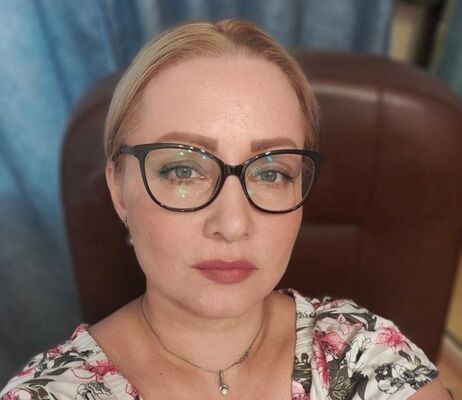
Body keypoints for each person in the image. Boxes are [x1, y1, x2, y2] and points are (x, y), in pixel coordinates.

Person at [0, 19, 452, 400]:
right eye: (183, 170)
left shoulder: (361, 350)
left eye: (271, 173)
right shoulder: (50, 393)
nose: (233, 224)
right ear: (119, 189)